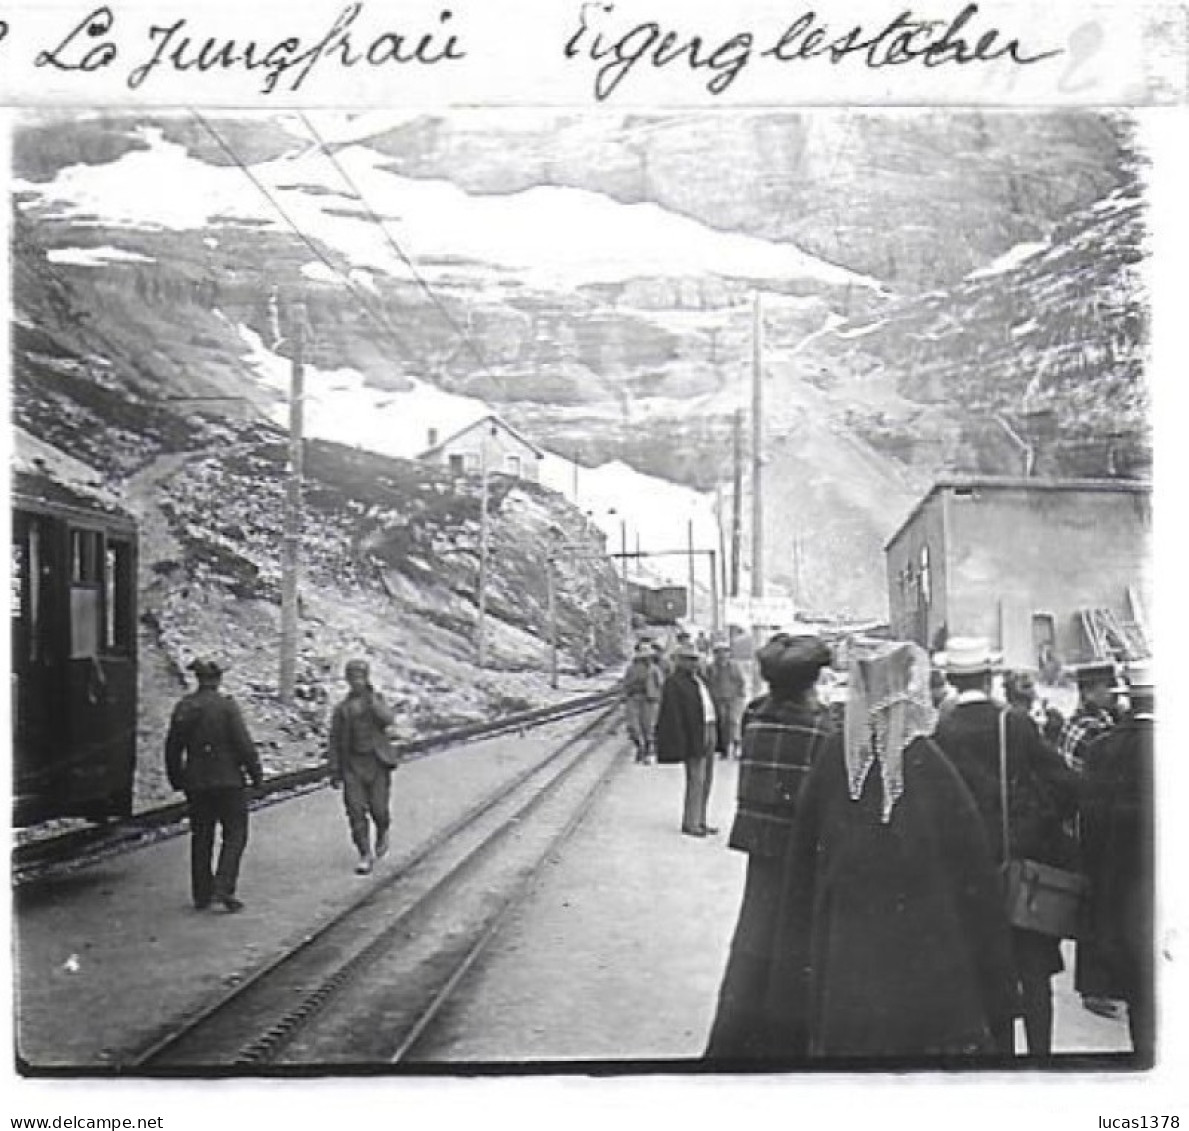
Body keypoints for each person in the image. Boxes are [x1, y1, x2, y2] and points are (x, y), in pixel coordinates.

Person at [762, 640, 1017, 1061]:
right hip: (926, 961)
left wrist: (790, 983)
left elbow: (801, 873)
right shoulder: (932, 766)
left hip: (848, 961)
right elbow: (974, 875)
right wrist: (995, 983)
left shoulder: (832, 760)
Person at [933, 637, 1080, 1058]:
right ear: (989, 676)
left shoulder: (941, 733)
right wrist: (1039, 826)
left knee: (987, 972)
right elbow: (1066, 785)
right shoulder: (1014, 724)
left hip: (968, 877)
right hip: (1021, 870)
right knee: (1034, 973)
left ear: (952, 680)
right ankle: (1040, 1059)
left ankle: (1000, 1060)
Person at [705, 633, 835, 1061]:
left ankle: (733, 1037)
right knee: (794, 944)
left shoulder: (755, 715)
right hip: (801, 850)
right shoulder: (823, 726)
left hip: (759, 844)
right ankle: (783, 1044)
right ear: (811, 680)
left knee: (754, 938)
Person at [1077, 660, 1156, 1062]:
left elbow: (1088, 827)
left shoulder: (1104, 749)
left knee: (1142, 989)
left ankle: (1145, 1054)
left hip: (1122, 887)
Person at [165, 658, 263, 913]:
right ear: (218, 678)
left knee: (201, 836)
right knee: (235, 834)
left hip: (197, 783)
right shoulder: (226, 707)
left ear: (198, 678)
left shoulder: (185, 706)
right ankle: (224, 886)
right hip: (229, 781)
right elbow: (243, 744)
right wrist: (256, 775)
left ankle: (201, 894)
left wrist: (176, 778)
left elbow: (172, 747)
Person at [329, 659, 397, 875]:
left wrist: (371, 699)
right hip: (353, 765)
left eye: (361, 676)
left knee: (379, 809)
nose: (357, 681)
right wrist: (334, 769)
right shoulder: (342, 709)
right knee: (355, 811)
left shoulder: (377, 700)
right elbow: (334, 739)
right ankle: (365, 854)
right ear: (347, 680)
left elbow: (388, 719)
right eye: (353, 677)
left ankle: (383, 829)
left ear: (367, 677)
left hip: (377, 763)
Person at [655, 642, 718, 837]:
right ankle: (691, 823)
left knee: (707, 779)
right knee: (696, 780)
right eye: (688, 660)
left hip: (708, 728)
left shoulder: (699, 681)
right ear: (679, 662)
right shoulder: (674, 683)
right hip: (694, 733)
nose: (693, 664)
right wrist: (679, 742)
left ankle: (701, 819)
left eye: (695, 660)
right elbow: (673, 716)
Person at [1057, 661, 1119, 773]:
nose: (1116, 691)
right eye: (1109, 685)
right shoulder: (1092, 729)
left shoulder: (1075, 719)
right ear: (1087, 691)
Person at [622, 640, 663, 764]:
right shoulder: (631, 668)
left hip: (649, 700)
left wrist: (658, 698)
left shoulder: (654, 669)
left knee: (648, 727)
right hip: (634, 698)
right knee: (633, 727)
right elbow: (625, 684)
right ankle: (640, 746)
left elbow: (661, 684)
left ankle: (646, 752)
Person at [707, 641, 748, 759]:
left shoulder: (734, 666)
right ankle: (725, 748)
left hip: (734, 698)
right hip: (718, 699)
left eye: (724, 652)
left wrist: (740, 695)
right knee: (722, 723)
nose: (722, 655)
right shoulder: (712, 667)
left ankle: (737, 747)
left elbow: (741, 681)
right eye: (719, 652)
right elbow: (709, 682)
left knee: (734, 721)